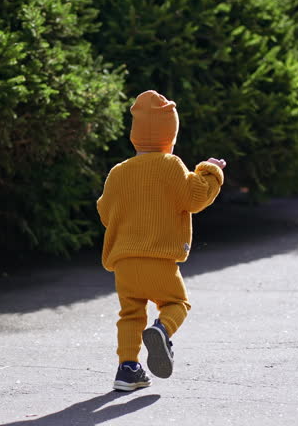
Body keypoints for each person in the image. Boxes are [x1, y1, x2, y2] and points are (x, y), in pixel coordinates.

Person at [97, 90, 226, 391]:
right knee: (176, 302)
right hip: (159, 259)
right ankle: (161, 329)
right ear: (170, 135)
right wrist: (211, 172)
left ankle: (127, 369)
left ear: (134, 135)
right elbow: (195, 197)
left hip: (125, 263)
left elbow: (105, 212)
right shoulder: (171, 165)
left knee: (130, 313)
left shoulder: (118, 172)